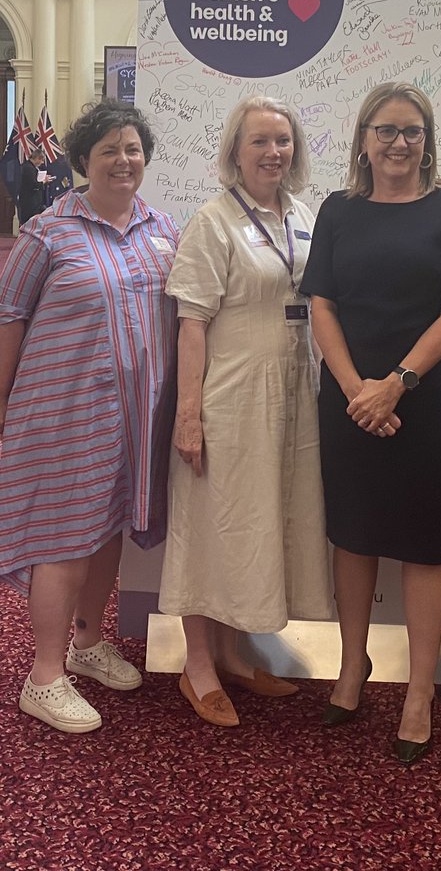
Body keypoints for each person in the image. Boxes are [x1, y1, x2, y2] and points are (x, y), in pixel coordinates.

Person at [301, 82, 441, 765]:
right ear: (364, 139)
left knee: (424, 544)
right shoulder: (338, 210)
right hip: (350, 398)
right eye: (386, 130)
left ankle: (417, 693)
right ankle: (354, 667)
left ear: (428, 140)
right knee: (352, 536)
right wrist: (358, 391)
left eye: (412, 131)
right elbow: (321, 304)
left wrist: (396, 385)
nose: (399, 143)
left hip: (425, 399)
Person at [0, 101, 178, 734]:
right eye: (109, 150)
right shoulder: (48, 232)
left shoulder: (165, 230)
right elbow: (8, 316)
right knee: (63, 536)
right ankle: (43, 676)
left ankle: (88, 642)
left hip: (136, 415)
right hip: (62, 410)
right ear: (82, 161)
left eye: (132, 149)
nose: (124, 160)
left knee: (106, 530)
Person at [159, 96, 331, 727]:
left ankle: (232, 655)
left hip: (290, 393)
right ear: (235, 150)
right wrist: (189, 415)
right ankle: (197, 664)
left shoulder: (303, 214)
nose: (273, 152)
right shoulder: (213, 221)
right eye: (259, 141)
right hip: (229, 396)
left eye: (283, 140)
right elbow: (192, 323)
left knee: (258, 523)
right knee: (213, 525)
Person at [16, 145, 50, 226]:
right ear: (37, 158)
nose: (42, 163)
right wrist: (44, 182)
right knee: (29, 223)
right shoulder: (28, 168)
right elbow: (32, 184)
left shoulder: (32, 167)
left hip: (34, 201)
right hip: (29, 202)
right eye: (41, 160)